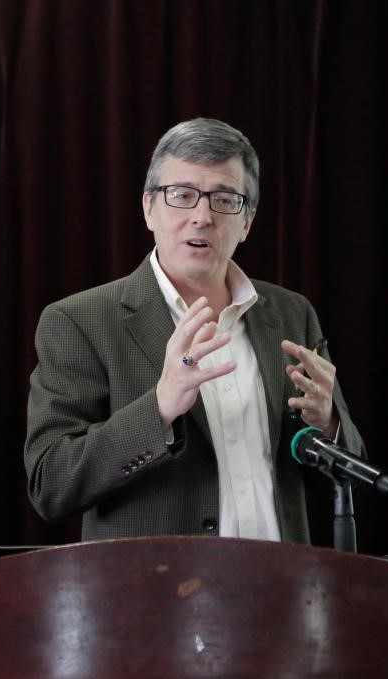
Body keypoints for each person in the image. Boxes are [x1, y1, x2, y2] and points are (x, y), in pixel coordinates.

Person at [24, 117, 365, 542]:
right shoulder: (80, 320)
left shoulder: (292, 313)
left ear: (247, 221)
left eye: (224, 199)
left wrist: (329, 423)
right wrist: (160, 408)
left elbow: (344, 477)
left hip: (282, 577)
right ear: (149, 208)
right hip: (156, 582)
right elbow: (51, 484)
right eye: (182, 195)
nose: (202, 217)